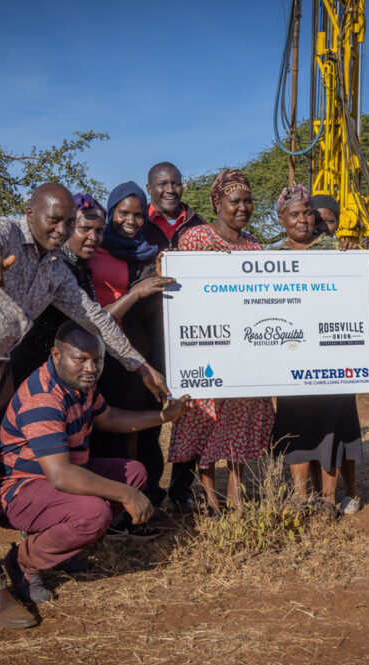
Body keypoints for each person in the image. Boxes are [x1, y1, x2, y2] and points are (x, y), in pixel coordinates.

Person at [0, 183, 168, 629]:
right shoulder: (0, 234)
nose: (61, 229)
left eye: (68, 221)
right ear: (31, 212)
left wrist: (139, 366)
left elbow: (93, 318)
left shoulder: (54, 269)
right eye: (53, 219)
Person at [0, 321, 190, 603]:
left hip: (53, 479)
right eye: (81, 359)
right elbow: (61, 476)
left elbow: (109, 418)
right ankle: (23, 562)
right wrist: (128, 495)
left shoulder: (78, 384)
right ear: (57, 355)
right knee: (94, 514)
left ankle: (61, 550)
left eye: (97, 360)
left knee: (134, 472)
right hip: (20, 491)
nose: (91, 368)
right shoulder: (44, 399)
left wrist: (165, 417)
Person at [167, 169, 275, 515]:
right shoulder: (195, 239)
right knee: (205, 421)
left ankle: (237, 496)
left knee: (240, 423)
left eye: (247, 201)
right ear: (217, 203)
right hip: (206, 347)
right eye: (234, 202)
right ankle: (211, 500)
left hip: (246, 351)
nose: (242, 208)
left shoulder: (256, 246)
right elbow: (182, 288)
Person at [270, 185, 363, 514]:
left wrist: (354, 260)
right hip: (290, 357)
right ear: (282, 220)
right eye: (294, 214)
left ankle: (328, 498)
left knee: (330, 425)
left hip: (332, 356)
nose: (302, 220)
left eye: (307, 213)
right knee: (296, 423)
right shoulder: (271, 259)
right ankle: (298, 497)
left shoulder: (338, 251)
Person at [87, 182, 174, 530]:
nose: (132, 220)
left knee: (145, 429)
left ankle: (148, 497)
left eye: (138, 214)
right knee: (111, 431)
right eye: (124, 213)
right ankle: (114, 507)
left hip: (137, 351)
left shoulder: (149, 251)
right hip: (100, 351)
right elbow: (92, 311)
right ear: (111, 214)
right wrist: (136, 292)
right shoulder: (92, 247)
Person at [143, 162, 209, 512]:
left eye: (176, 183)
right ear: (150, 187)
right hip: (148, 331)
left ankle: (182, 488)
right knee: (149, 412)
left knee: (193, 411)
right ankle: (150, 488)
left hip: (193, 334)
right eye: (163, 183)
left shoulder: (199, 226)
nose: (170, 189)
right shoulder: (137, 222)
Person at [8, 193, 107, 389]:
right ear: (69, 228)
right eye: (85, 229)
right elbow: (90, 321)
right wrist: (136, 294)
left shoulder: (80, 266)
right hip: (34, 368)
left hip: (60, 370)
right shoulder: (58, 265)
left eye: (99, 231)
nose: (93, 237)